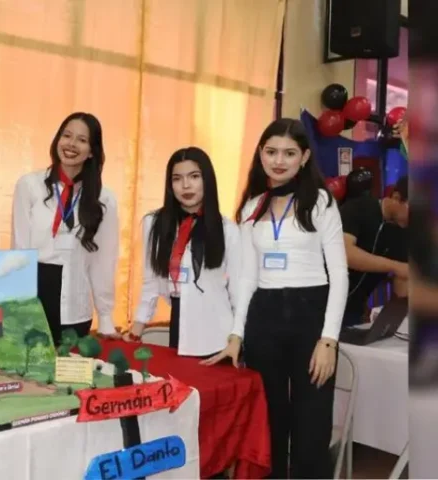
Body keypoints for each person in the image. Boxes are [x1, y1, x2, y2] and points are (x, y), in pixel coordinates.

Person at [206, 118, 348, 479]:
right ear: (260, 154)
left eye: (289, 153)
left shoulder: (321, 202)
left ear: (304, 157)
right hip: (264, 317)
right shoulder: (252, 206)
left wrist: (329, 340)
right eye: (271, 152)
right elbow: (246, 277)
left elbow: (339, 274)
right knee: (267, 419)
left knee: (311, 422)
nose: (279, 161)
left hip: (311, 315)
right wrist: (237, 334)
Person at [11, 112, 120, 346]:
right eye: (67, 135)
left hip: (75, 306)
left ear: (92, 151)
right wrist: (18, 307)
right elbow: (19, 250)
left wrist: (105, 316)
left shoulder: (104, 198)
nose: (71, 144)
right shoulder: (29, 185)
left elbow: (103, 261)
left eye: (82, 140)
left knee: (73, 367)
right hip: (35, 300)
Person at [127, 147, 240, 357]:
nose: (186, 185)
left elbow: (237, 293)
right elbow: (151, 282)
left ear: (207, 180)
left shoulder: (227, 229)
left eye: (194, 176)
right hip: (179, 318)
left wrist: (237, 337)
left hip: (218, 331)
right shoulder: (154, 224)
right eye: (177, 179)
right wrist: (137, 329)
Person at [341, 175, 409, 326]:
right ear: (396, 198)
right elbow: (345, 253)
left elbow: (402, 282)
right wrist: (396, 267)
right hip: (320, 302)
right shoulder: (357, 208)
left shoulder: (404, 232)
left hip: (354, 310)